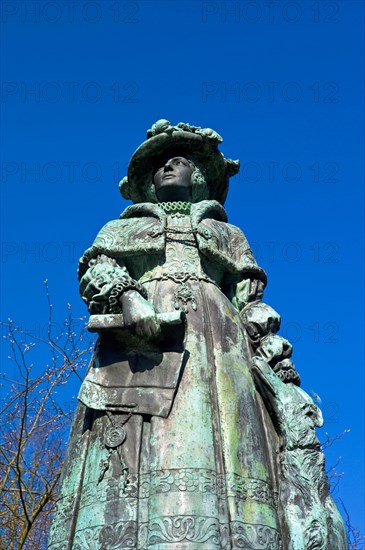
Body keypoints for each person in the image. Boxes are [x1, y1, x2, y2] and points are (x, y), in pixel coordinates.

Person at [48, 120, 346, 549]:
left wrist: (274, 356)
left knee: (230, 437)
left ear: (199, 175)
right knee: (137, 441)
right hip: (140, 344)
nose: (167, 166)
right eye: (159, 164)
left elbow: (248, 300)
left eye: (179, 160)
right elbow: (97, 268)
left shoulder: (227, 235)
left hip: (222, 344)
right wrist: (128, 297)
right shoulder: (121, 229)